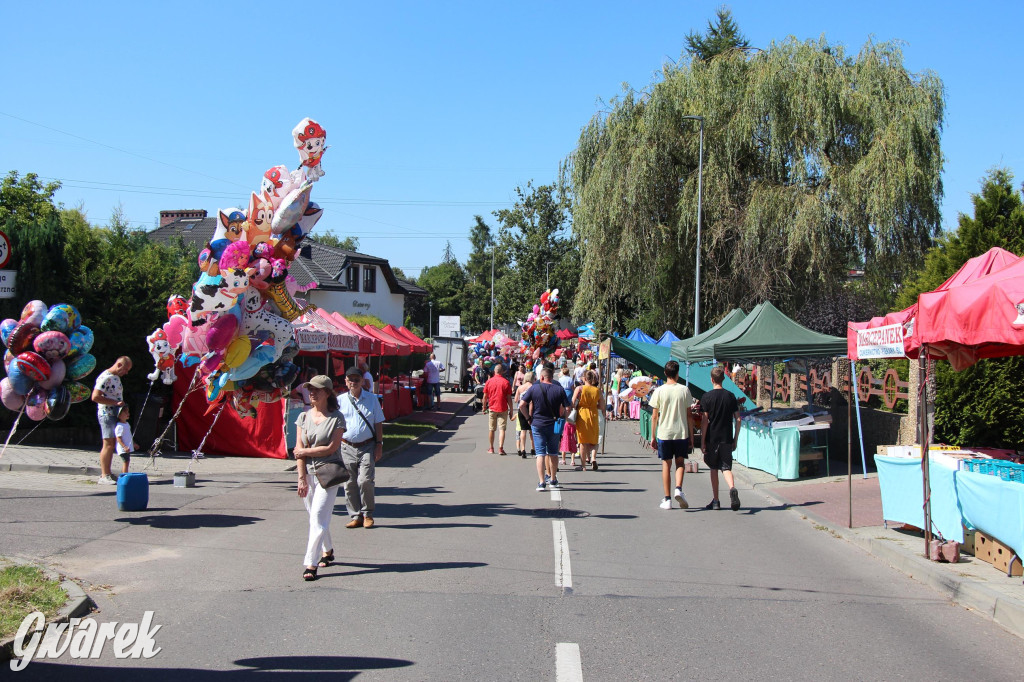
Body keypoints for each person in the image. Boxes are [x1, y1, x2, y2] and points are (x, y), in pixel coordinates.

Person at [293, 375, 346, 581]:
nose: (312, 393)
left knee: (317, 517)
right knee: (316, 517)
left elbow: (332, 448)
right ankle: (328, 549)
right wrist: (301, 477)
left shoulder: (336, 418)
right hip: (308, 473)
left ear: (327, 393)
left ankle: (310, 563)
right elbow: (299, 450)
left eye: (316, 390)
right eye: (310, 389)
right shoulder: (304, 417)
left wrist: (306, 452)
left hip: (328, 472)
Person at [339, 365, 386, 528]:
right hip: (346, 447)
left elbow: (378, 422)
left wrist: (379, 444)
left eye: (356, 379)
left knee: (365, 480)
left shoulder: (372, 399)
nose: (353, 382)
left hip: (367, 446)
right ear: (346, 381)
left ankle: (368, 514)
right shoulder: (340, 400)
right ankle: (355, 515)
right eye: (350, 379)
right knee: (349, 483)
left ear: (362, 381)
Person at [649, 360, 694, 510]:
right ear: (678, 373)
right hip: (681, 432)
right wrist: (692, 436)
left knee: (666, 465)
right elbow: (689, 415)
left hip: (664, 433)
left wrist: (653, 436)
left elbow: (654, 416)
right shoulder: (684, 390)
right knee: (680, 463)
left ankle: (667, 499)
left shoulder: (659, 391)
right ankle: (678, 488)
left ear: (665, 373)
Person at [700, 366, 742, 511]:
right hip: (726, 437)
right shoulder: (730, 396)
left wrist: (702, 441)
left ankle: (716, 500)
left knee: (713, 467)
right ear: (723, 379)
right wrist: (735, 439)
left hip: (712, 438)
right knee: (726, 467)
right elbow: (738, 419)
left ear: (712, 379)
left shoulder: (706, 397)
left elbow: (705, 421)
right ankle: (732, 488)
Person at [522, 366, 569, 491]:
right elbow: (568, 407)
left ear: (541, 377)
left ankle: (542, 482)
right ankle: (553, 480)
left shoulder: (534, 388)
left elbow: (522, 405)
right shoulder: (559, 389)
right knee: (553, 453)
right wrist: (563, 418)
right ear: (552, 378)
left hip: (537, 424)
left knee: (540, 453)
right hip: (554, 424)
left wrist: (528, 418)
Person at [91, 356, 132, 484]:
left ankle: (107, 472)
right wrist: (116, 403)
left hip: (113, 413)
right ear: (119, 365)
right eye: (125, 369)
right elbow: (95, 397)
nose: (126, 373)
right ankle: (104, 475)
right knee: (108, 444)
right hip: (106, 413)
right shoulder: (106, 377)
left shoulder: (115, 377)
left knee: (112, 443)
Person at [572, 369, 603, 472]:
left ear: (584, 378)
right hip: (593, 414)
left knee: (582, 441)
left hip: (582, 414)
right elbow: (602, 406)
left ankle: (583, 465)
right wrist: (593, 405)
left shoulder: (579, 388)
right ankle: (593, 458)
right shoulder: (597, 390)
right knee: (593, 439)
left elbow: (572, 403)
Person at [483, 363, 513, 454]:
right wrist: (511, 410)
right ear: (502, 371)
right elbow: (509, 398)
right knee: (502, 429)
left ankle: (491, 448)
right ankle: (501, 448)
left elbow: (485, 396)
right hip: (503, 408)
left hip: (492, 407)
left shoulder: (489, 381)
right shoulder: (506, 382)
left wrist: (484, 407)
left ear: (494, 371)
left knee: (491, 429)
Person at [514, 370, 536, 458]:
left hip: (521, 409)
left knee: (523, 430)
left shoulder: (520, 388)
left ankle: (523, 449)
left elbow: (516, 400)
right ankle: (533, 448)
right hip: (531, 409)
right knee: (532, 431)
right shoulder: (533, 387)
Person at [113, 404, 136, 475]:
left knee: (127, 461)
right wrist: (124, 446)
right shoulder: (119, 426)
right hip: (123, 449)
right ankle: (124, 475)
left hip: (127, 448)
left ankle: (124, 475)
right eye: (125, 413)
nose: (128, 414)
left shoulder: (127, 424)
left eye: (128, 412)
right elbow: (118, 438)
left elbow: (129, 436)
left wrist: (134, 443)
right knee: (126, 461)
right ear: (119, 416)